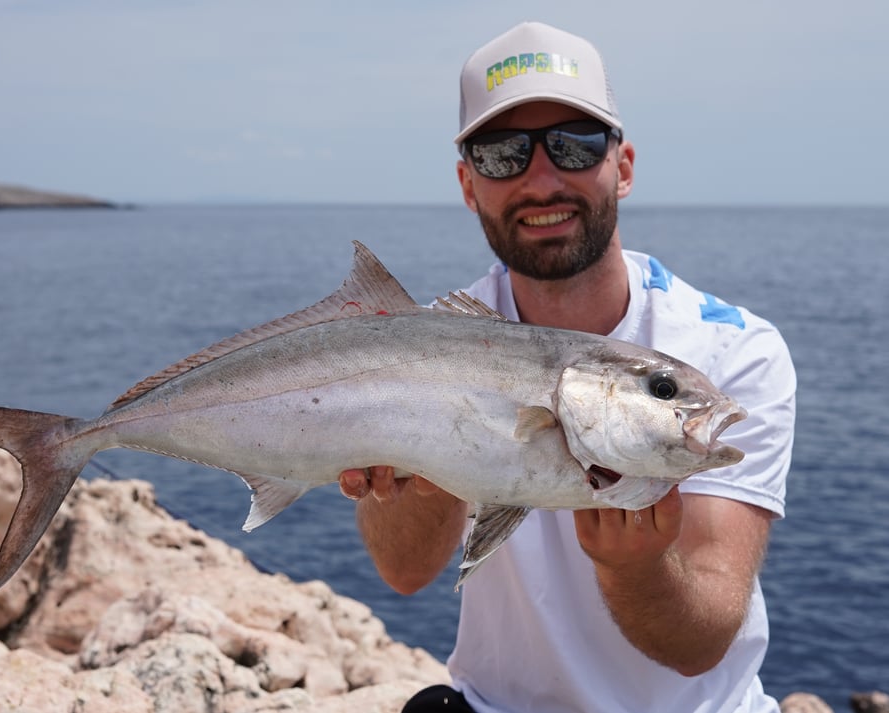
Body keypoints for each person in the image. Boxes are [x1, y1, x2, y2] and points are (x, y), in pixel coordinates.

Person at [338, 21, 796, 713]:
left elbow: (701, 642)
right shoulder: (420, 347)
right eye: (502, 155)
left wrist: (633, 565)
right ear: (468, 185)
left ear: (625, 165)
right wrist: (424, 460)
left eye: (575, 145)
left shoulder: (734, 353)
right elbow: (402, 570)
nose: (542, 180)